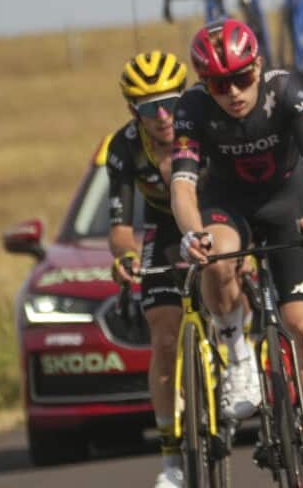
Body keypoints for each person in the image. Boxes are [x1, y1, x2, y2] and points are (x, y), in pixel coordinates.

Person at [170, 19, 303, 488]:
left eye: (241, 78)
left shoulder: (285, 90)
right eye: (218, 82)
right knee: (217, 254)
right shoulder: (191, 108)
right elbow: (184, 186)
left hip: (290, 201)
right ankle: (238, 357)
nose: (232, 92)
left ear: (258, 67)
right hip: (228, 204)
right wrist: (192, 234)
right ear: (203, 83)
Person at [106, 52, 190, 488]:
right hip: (164, 230)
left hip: (214, 218)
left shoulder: (203, 125)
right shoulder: (123, 147)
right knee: (162, 337)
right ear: (132, 111)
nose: (162, 116)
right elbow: (120, 228)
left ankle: (235, 361)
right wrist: (125, 257)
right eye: (147, 107)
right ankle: (172, 459)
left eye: (171, 103)